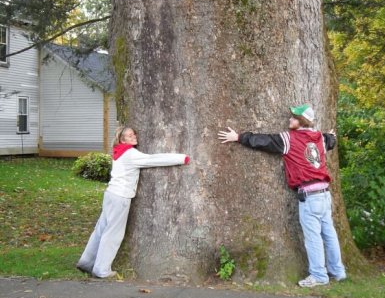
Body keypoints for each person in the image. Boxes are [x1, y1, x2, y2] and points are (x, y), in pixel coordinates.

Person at [217, 104, 346, 287]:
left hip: (310, 196)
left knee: (313, 237)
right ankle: (338, 271)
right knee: (329, 233)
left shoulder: (289, 139)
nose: (289, 120)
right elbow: (330, 140)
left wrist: (238, 137)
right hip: (324, 195)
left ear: (300, 121)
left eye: (293, 118)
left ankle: (319, 276)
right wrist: (332, 136)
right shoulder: (320, 138)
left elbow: (264, 141)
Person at [76, 126, 190, 278]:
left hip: (110, 195)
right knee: (113, 233)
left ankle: (86, 261)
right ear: (123, 140)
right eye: (129, 136)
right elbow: (154, 160)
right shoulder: (130, 154)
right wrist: (181, 158)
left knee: (101, 229)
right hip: (120, 197)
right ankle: (101, 269)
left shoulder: (119, 152)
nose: (134, 137)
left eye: (133, 134)